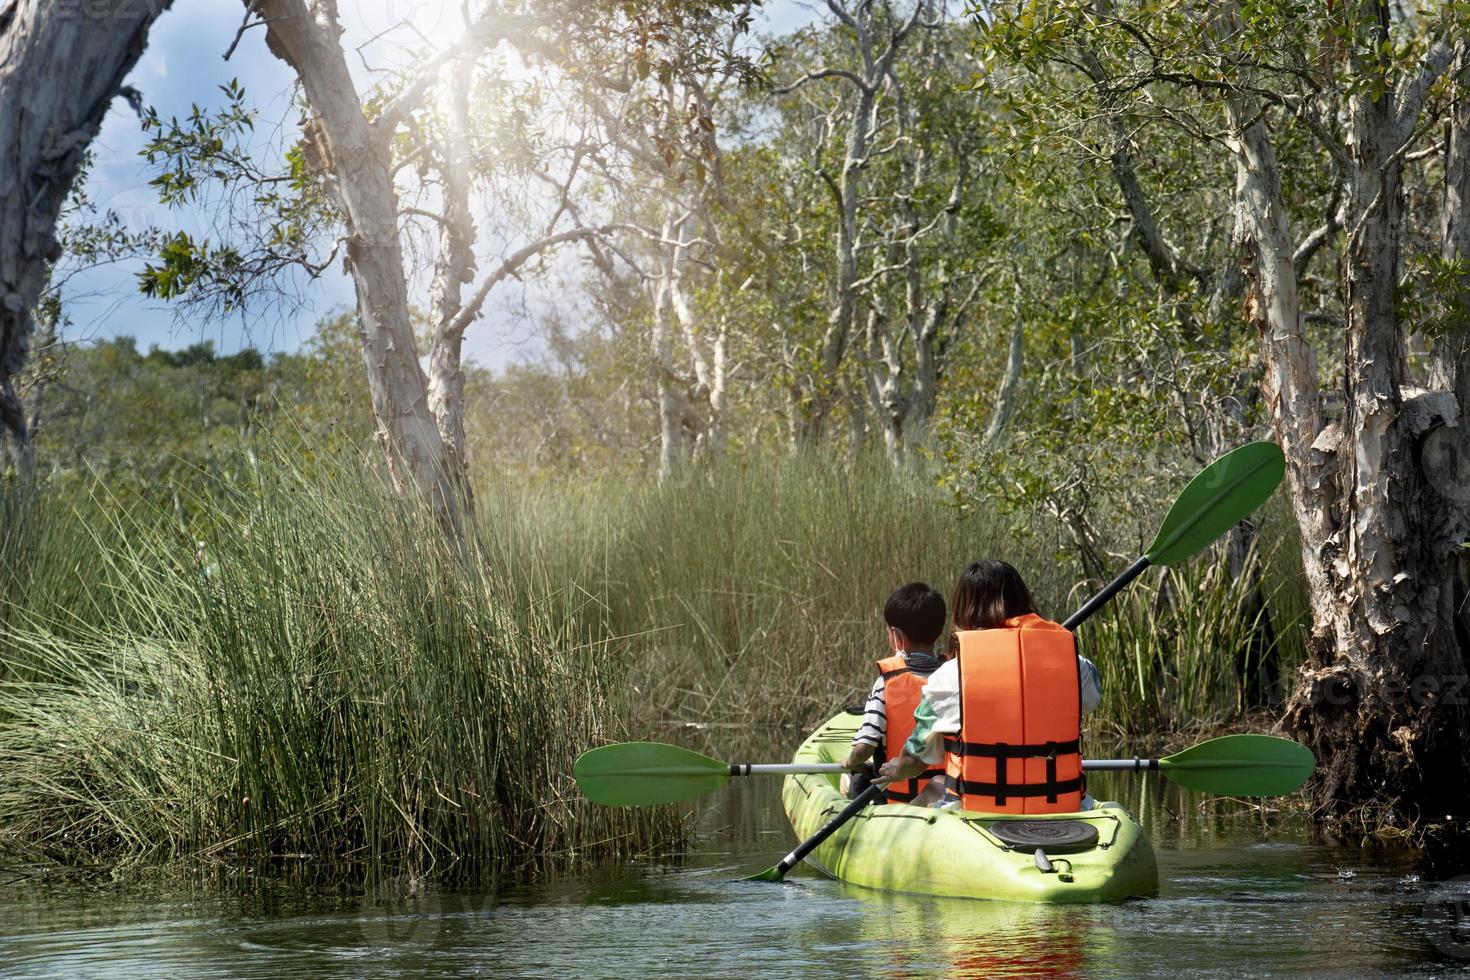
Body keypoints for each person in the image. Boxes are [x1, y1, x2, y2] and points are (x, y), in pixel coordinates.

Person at [877, 560, 1102, 812]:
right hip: (1061, 805)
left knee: (936, 784)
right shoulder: (1075, 665)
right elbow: (1093, 698)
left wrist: (898, 767)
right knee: (938, 783)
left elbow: (916, 760)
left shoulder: (950, 675)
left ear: (965, 610)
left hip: (976, 810)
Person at [843, 582, 949, 805]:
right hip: (942, 793)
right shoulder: (954, 679)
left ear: (897, 636)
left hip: (895, 799)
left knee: (858, 779)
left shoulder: (885, 682)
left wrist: (851, 762)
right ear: (939, 630)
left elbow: (864, 749)